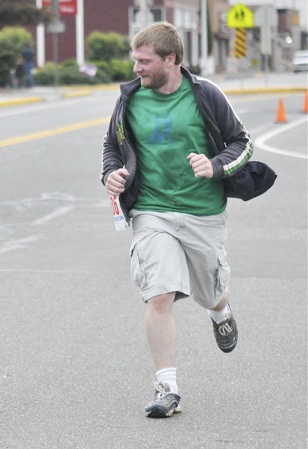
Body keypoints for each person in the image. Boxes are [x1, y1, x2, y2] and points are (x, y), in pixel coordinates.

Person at [101, 22, 252, 418]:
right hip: (152, 210)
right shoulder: (130, 99)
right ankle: (167, 387)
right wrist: (111, 174)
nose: (137, 68)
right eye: (135, 60)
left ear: (171, 59)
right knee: (160, 293)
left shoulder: (204, 95)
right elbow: (111, 146)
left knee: (210, 292)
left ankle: (220, 312)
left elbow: (242, 142)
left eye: (144, 61)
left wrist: (216, 166)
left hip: (202, 211)